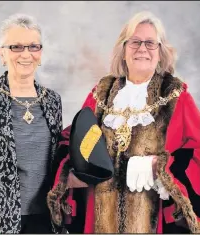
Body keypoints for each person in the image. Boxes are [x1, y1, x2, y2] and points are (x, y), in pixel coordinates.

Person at [47, 11, 200, 234]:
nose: (142, 49)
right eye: (135, 42)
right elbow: (74, 139)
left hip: (153, 223)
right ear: (123, 49)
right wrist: (70, 174)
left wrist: (160, 168)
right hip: (98, 221)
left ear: (160, 52)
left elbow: (197, 152)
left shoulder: (177, 98)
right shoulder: (101, 94)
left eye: (150, 43)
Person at [0, 14, 62, 234]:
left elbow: (57, 157)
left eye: (33, 46)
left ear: (40, 53)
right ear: (2, 54)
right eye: (16, 47)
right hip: (0, 216)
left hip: (47, 216)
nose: (26, 54)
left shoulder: (52, 100)